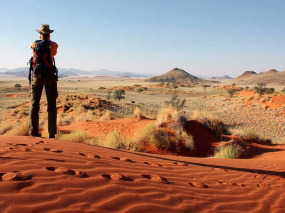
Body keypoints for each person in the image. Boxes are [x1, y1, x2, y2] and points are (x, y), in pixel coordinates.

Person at [29, 24, 58, 138]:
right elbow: (54, 53)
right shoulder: (53, 45)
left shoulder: (33, 44)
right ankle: (51, 134)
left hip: (37, 76)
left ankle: (33, 133)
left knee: (34, 104)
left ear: (40, 34)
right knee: (51, 105)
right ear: (49, 35)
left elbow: (32, 49)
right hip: (50, 77)